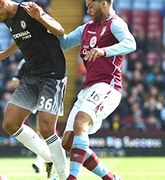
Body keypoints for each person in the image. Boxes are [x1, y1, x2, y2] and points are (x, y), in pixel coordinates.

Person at [0, 0, 68, 179]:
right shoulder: (8, 18)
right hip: (32, 74)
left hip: (52, 73)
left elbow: (60, 31)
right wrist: (5, 53)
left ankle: (65, 176)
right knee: (10, 123)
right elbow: (20, 36)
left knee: (46, 128)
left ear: (2, 3)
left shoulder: (29, 9)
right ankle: (48, 158)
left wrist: (41, 18)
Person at [58, 0, 136, 179]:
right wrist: (47, 26)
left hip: (107, 85)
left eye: (90, 5)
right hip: (88, 87)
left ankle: (72, 177)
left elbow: (131, 44)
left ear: (103, 4)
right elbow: (65, 43)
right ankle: (110, 177)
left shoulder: (115, 24)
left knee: (80, 123)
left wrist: (104, 51)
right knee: (68, 142)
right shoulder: (86, 28)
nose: (88, 9)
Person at [11, 58, 45, 173]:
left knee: (44, 131)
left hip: (45, 99)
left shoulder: (48, 58)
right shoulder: (24, 61)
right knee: (37, 132)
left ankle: (41, 162)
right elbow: (14, 81)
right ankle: (46, 159)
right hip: (30, 102)